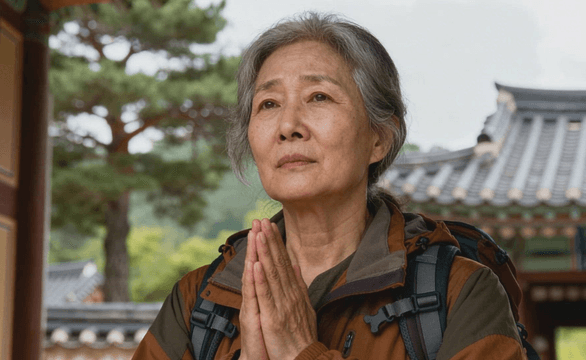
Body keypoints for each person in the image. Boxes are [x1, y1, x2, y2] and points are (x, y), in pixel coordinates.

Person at [133, 12, 527, 360]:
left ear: (379, 138)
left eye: (318, 96)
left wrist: (303, 354)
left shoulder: (459, 293)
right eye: (268, 104)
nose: (288, 126)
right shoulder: (198, 303)